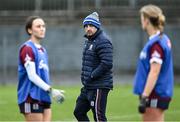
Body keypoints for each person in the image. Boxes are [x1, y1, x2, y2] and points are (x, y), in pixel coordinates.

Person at [17, 16, 65, 121]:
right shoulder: (28, 49)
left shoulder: (43, 50)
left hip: (44, 96)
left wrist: (48, 92)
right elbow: (32, 75)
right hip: (31, 97)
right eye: (38, 26)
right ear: (30, 30)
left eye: (43, 26)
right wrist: (51, 90)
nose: (42, 28)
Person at [133, 4, 174, 121]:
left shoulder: (156, 44)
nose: (141, 21)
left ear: (146, 20)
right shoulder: (161, 38)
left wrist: (144, 96)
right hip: (157, 93)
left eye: (142, 18)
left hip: (155, 94)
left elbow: (154, 72)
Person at [73, 12, 113, 121]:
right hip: (88, 85)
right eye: (86, 26)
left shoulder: (103, 41)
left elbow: (107, 63)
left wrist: (92, 75)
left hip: (99, 86)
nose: (88, 28)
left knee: (99, 117)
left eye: (91, 25)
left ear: (97, 26)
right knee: (78, 112)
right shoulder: (89, 41)